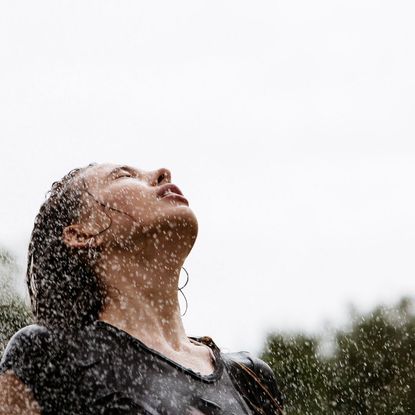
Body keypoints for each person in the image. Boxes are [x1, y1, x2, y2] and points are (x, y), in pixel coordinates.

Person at [0, 163, 284, 415]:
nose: (162, 173)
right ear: (80, 234)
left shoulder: (250, 377)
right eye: (123, 176)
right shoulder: (47, 354)